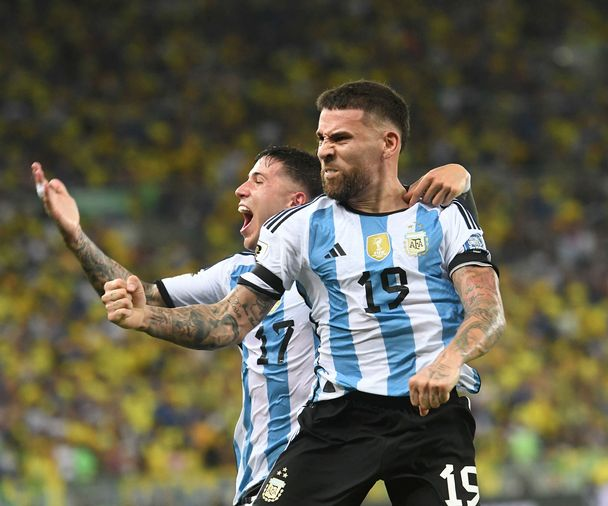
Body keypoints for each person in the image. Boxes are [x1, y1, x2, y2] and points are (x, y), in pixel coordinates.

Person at [102, 80, 505, 506]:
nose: (325, 150)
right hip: (341, 420)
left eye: (341, 138)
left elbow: (487, 310)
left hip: (433, 418)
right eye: (321, 138)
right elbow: (230, 321)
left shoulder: (444, 217)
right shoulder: (297, 227)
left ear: (389, 143)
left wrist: (450, 360)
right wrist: (149, 318)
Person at [33, 146, 475, 505]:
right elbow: (134, 294)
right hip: (269, 472)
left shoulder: (341, 262)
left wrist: (459, 179)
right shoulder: (235, 275)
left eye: (258, 180)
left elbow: (410, 235)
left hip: (340, 450)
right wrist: (75, 234)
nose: (240, 189)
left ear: (297, 203)